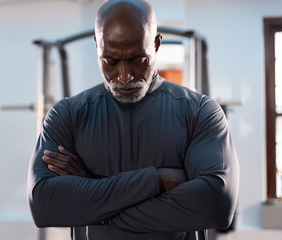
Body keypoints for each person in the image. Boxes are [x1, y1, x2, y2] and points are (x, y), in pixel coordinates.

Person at [28, 0, 239, 239]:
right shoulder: (67, 115)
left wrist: (91, 192)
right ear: (97, 45)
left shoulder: (200, 112)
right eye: (111, 62)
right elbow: (44, 206)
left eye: (138, 60)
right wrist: (156, 180)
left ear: (156, 44)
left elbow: (218, 205)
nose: (125, 76)